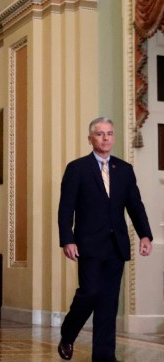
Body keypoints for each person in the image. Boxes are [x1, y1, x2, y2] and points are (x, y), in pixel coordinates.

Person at [57, 117, 153, 362]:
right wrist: (67, 239)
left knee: (108, 303)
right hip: (88, 245)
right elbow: (66, 208)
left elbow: (135, 205)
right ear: (91, 138)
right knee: (90, 292)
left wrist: (145, 234)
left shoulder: (124, 170)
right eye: (100, 134)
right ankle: (68, 333)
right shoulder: (77, 168)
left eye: (109, 133)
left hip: (116, 246)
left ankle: (104, 356)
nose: (106, 138)